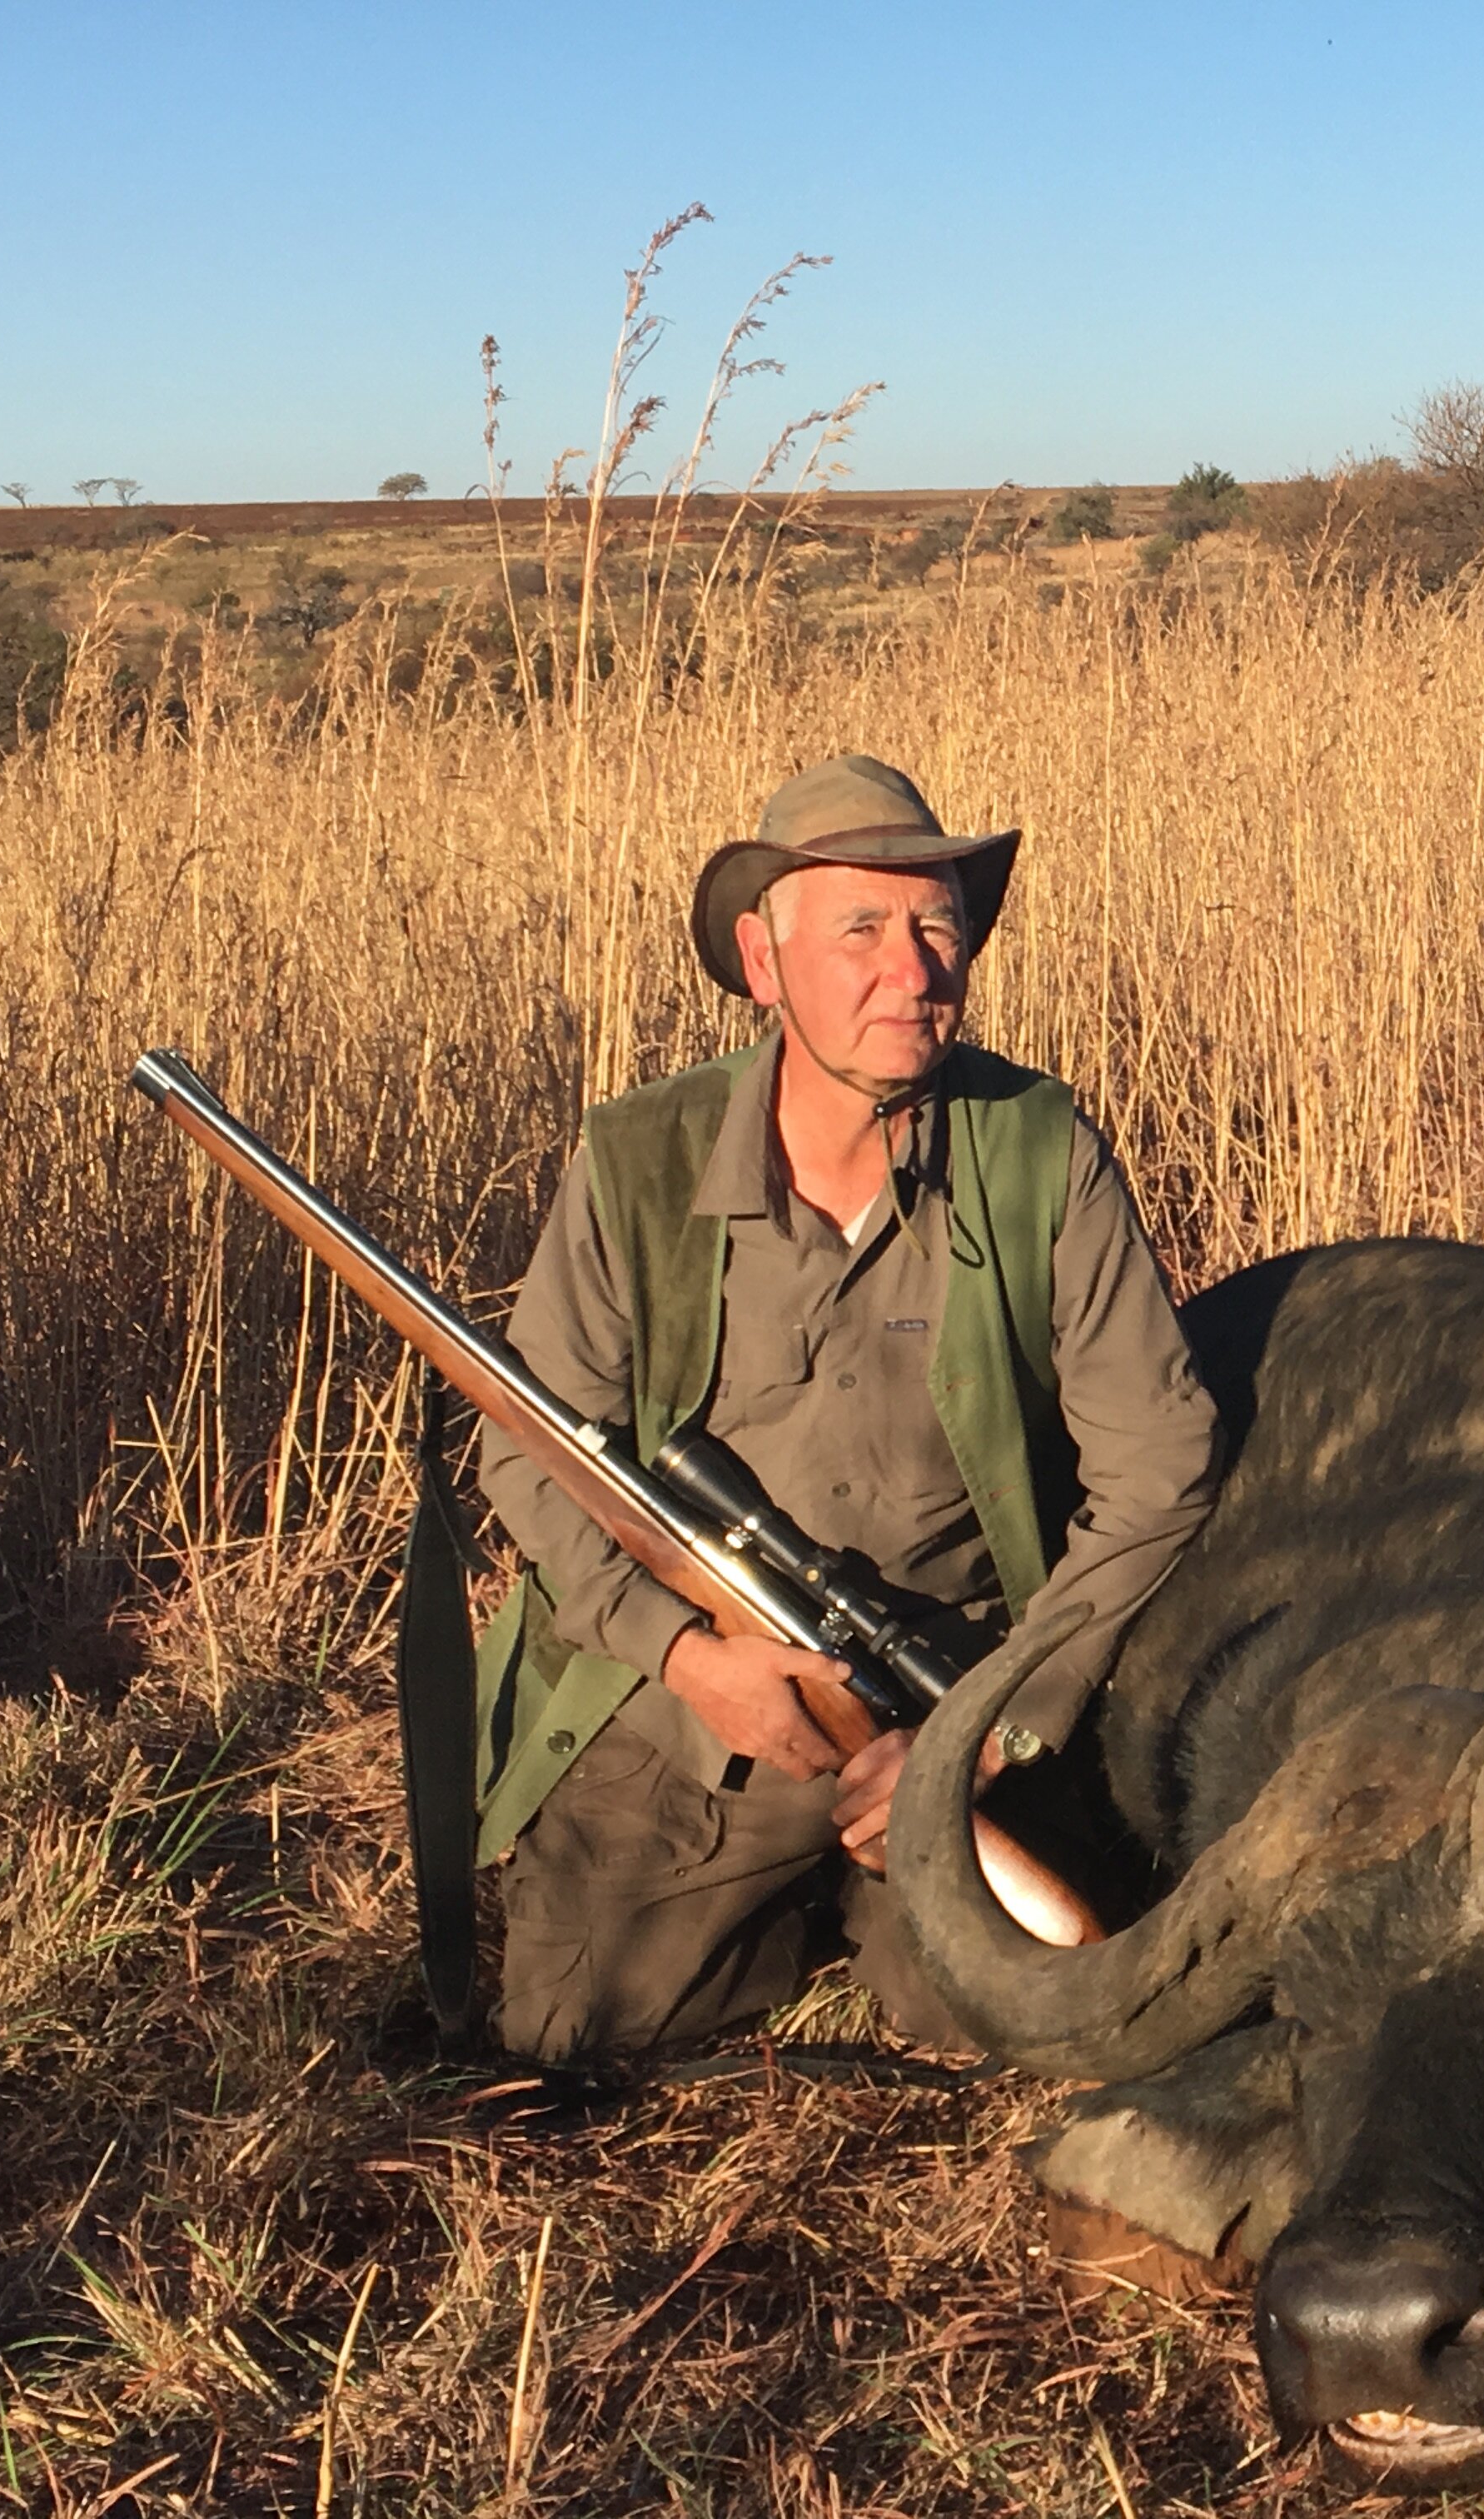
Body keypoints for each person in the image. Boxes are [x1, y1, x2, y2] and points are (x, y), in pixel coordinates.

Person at [473, 753, 1222, 2063]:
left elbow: (1162, 1468)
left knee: (1027, 2019)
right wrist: (690, 1660)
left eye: (938, 925)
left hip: (953, 1689)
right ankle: (790, 1902)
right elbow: (531, 1455)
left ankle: (870, 1900)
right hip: (706, 1696)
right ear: (764, 964)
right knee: (572, 2028)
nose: (912, 969)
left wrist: (988, 1731)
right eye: (861, 929)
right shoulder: (636, 1159)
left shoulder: (1040, 1148)